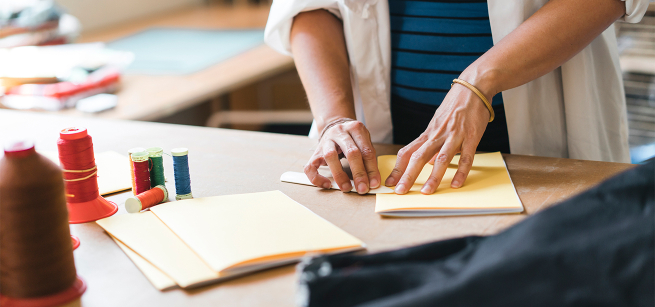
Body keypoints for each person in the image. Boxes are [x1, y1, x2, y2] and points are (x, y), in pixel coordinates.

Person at [265, 0, 652, 195]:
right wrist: (334, 119)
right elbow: (309, 7)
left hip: (546, 139)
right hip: (385, 142)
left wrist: (477, 83)